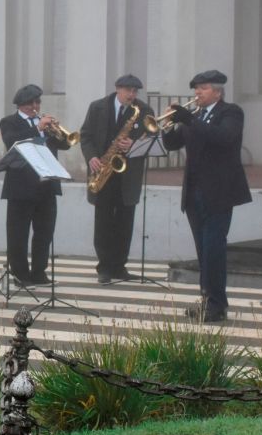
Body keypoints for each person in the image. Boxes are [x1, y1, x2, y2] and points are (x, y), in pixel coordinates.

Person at [161, 70, 251, 323]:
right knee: (203, 250)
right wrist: (168, 126)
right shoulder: (197, 116)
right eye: (196, 89)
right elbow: (172, 144)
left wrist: (188, 119)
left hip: (219, 192)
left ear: (217, 92)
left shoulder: (231, 113)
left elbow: (223, 138)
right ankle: (207, 299)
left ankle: (217, 305)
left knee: (214, 248)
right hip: (194, 192)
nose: (197, 94)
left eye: (202, 89)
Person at [78, 74, 154, 284]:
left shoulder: (144, 110)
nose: (132, 95)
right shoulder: (97, 107)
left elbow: (151, 138)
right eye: (128, 90)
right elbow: (85, 136)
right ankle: (104, 267)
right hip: (102, 169)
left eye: (135, 91)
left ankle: (120, 266)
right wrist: (92, 157)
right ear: (118, 89)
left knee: (125, 221)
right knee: (103, 221)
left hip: (127, 174)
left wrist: (134, 143)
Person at [0, 85, 70, 287]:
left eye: (38, 102)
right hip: (21, 187)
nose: (36, 106)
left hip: (46, 185)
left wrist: (57, 131)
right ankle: (20, 274)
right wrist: (37, 128)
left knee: (44, 232)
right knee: (18, 234)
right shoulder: (9, 122)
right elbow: (12, 141)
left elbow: (66, 144)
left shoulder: (44, 123)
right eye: (32, 103)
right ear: (22, 105)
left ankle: (39, 272)